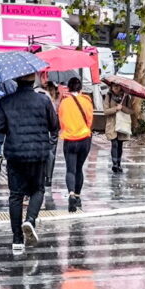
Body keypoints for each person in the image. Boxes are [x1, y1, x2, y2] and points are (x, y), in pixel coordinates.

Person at [0, 73, 59, 254]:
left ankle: (17, 239)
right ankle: (30, 219)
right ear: (33, 80)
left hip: (15, 154)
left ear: (16, 79)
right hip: (38, 154)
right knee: (38, 189)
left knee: (16, 195)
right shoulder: (43, 101)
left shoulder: (6, 102)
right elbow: (54, 125)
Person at [57, 77, 93, 213]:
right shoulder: (87, 102)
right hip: (84, 138)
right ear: (80, 88)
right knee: (79, 168)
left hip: (69, 139)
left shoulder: (64, 103)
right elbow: (90, 121)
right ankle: (78, 197)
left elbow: (61, 121)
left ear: (68, 88)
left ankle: (71, 193)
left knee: (70, 170)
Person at [103, 84, 134, 173]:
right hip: (112, 124)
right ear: (111, 87)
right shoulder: (108, 96)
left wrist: (123, 108)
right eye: (114, 86)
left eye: (118, 86)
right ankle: (115, 164)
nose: (116, 88)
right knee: (114, 143)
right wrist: (115, 108)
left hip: (122, 123)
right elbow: (105, 111)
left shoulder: (126, 97)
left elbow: (131, 111)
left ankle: (119, 163)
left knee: (120, 144)